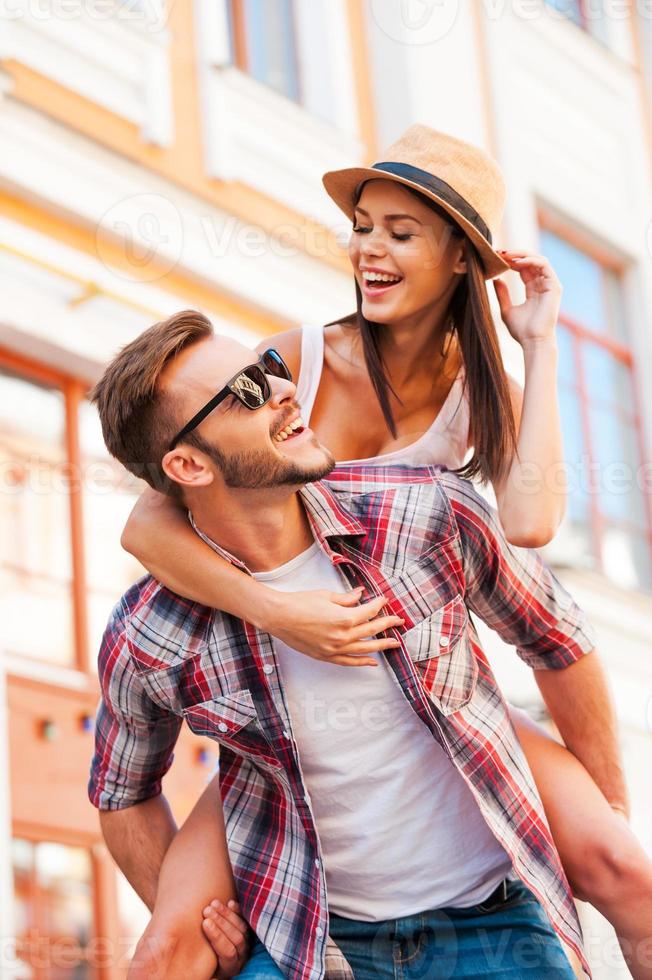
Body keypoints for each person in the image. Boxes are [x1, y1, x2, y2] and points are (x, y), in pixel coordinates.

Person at [120, 127, 652, 976]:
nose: (369, 248)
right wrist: (281, 611)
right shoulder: (292, 363)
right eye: (363, 226)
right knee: (172, 948)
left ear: (459, 262)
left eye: (400, 233)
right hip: (284, 686)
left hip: (428, 683)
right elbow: (147, 524)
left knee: (624, 867)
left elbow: (531, 526)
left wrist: (541, 342)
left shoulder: (481, 395)